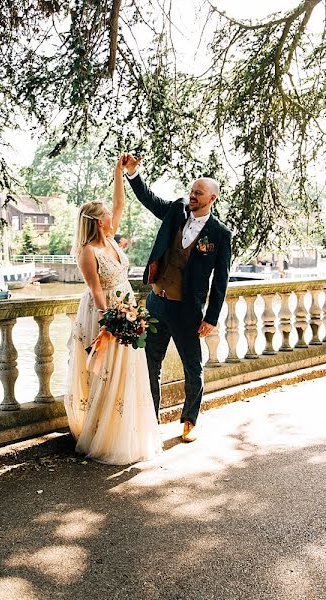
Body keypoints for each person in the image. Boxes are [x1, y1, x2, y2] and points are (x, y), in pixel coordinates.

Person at [122, 153, 232, 443]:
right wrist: (133, 174)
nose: (192, 196)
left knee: (192, 367)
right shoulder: (175, 211)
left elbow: (221, 281)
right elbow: (149, 199)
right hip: (157, 303)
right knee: (150, 364)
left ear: (212, 199)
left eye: (199, 193)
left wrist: (211, 318)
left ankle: (189, 421)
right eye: (191, 191)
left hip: (187, 311)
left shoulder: (220, 235)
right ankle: (150, 420)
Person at [63, 155, 162, 465]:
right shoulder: (87, 251)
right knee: (107, 373)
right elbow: (94, 289)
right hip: (104, 313)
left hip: (127, 308)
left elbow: (120, 204)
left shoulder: (109, 239)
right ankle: (103, 434)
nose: (111, 215)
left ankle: (126, 430)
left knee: (128, 371)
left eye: (109, 213)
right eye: (105, 214)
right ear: (97, 221)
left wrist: (119, 171)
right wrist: (110, 322)